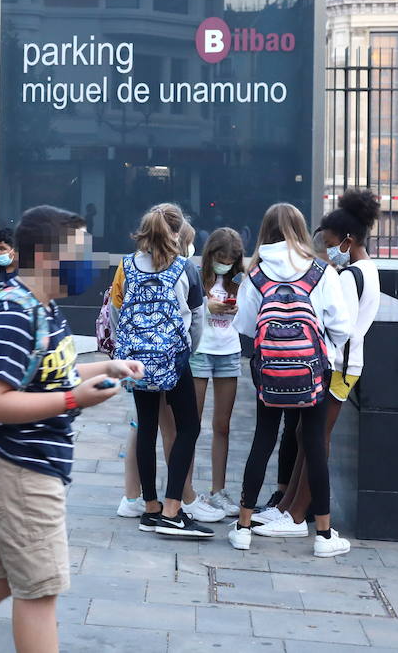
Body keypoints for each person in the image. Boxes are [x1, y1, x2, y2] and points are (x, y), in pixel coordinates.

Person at [0, 205, 142, 653]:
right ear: (44, 258)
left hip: (22, 466)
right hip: (19, 469)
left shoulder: (45, 308)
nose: (87, 263)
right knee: (40, 590)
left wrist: (102, 367)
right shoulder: (15, 312)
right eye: (78, 253)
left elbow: (45, 375)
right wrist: (75, 399)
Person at [229, 203, 354, 557]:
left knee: (263, 441)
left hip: (269, 372)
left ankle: (242, 527)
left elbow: (245, 327)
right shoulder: (321, 272)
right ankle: (324, 536)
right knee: (314, 445)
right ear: (301, 230)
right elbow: (342, 327)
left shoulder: (256, 274)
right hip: (313, 371)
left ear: (266, 231)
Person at [260, 190, 381, 536]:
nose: (327, 250)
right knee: (306, 433)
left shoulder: (348, 276)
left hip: (339, 366)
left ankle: (297, 514)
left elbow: (338, 328)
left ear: (348, 240)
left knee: (315, 438)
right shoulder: (366, 271)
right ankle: (288, 507)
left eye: (329, 243)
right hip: (344, 365)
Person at [109, 204, 212, 539]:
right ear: (179, 233)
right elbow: (197, 317)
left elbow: (115, 312)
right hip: (173, 359)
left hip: (137, 362)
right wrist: (185, 352)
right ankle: (172, 508)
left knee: (146, 427)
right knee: (189, 427)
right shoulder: (185, 268)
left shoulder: (125, 266)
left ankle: (150, 506)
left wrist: (130, 349)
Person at [189, 227, 246, 517]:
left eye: (232, 258)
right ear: (210, 254)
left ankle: (218, 491)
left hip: (229, 351)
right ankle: (185, 491)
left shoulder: (240, 279)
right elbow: (185, 310)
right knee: (192, 424)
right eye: (222, 256)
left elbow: (250, 312)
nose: (226, 262)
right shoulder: (196, 276)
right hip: (200, 351)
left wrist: (236, 309)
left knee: (222, 425)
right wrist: (205, 306)